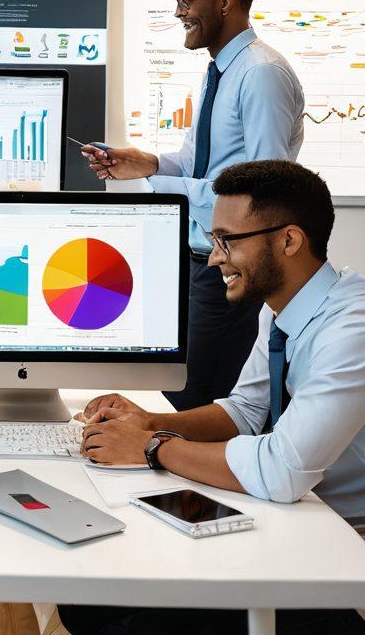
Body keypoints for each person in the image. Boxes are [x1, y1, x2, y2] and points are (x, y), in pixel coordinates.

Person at [60, 160, 365, 635]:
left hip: (341, 543)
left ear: (288, 240)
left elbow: (282, 470)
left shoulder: (352, 328)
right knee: (85, 603)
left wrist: (151, 447)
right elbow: (245, 410)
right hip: (296, 515)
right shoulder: (286, 307)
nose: (214, 258)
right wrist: (147, 419)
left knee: (126, 623)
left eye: (228, 240)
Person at [82, 0, 304, 409]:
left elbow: (264, 193)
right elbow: (196, 162)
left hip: (230, 270)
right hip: (197, 262)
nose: (179, 11)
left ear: (226, 1)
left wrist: (163, 193)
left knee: (193, 402)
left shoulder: (262, 74)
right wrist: (145, 164)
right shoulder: (219, 71)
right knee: (173, 393)